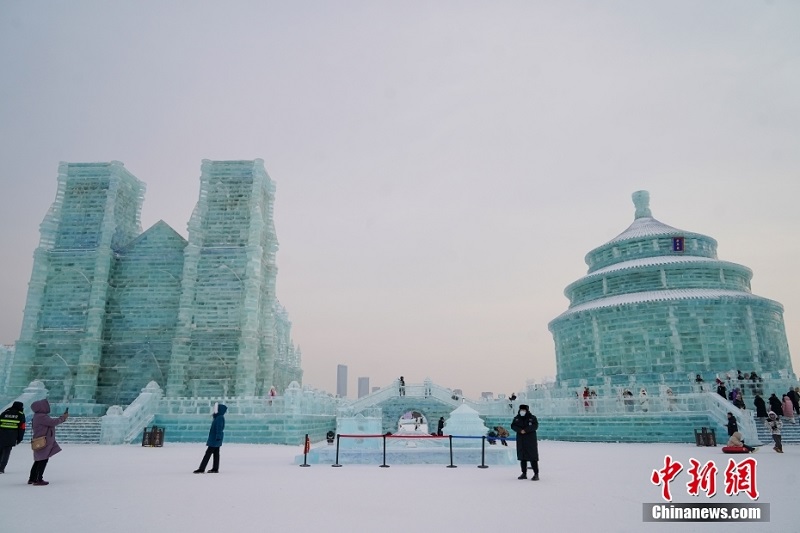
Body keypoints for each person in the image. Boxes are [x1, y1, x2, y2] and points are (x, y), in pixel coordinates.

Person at [28, 398, 68, 486]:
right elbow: (53, 422)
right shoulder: (41, 417)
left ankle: (32, 478)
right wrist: (63, 418)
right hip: (44, 441)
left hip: (42, 440)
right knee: (43, 460)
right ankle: (38, 479)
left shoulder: (37, 416)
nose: (48, 406)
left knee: (38, 460)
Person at [194, 402, 226, 473]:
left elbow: (219, 428)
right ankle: (215, 468)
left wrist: (218, 436)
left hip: (215, 438)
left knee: (208, 453)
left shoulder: (219, 418)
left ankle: (202, 468)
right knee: (216, 453)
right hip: (216, 438)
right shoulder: (218, 417)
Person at [510, 404, 539, 480]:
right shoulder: (517, 418)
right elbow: (513, 426)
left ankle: (536, 474)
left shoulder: (532, 418)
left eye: (524, 410)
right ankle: (524, 473)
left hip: (530, 440)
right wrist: (520, 430)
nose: (522, 411)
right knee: (522, 457)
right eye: (521, 410)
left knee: (533, 457)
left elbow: (535, 426)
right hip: (521, 440)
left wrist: (526, 430)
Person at [0, 401, 26, 474]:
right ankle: (1, 468)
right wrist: (20, 438)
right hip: (11, 436)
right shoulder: (20, 414)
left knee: (0, 451)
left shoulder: (4, 413)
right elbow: (22, 428)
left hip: (1, 435)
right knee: (6, 453)